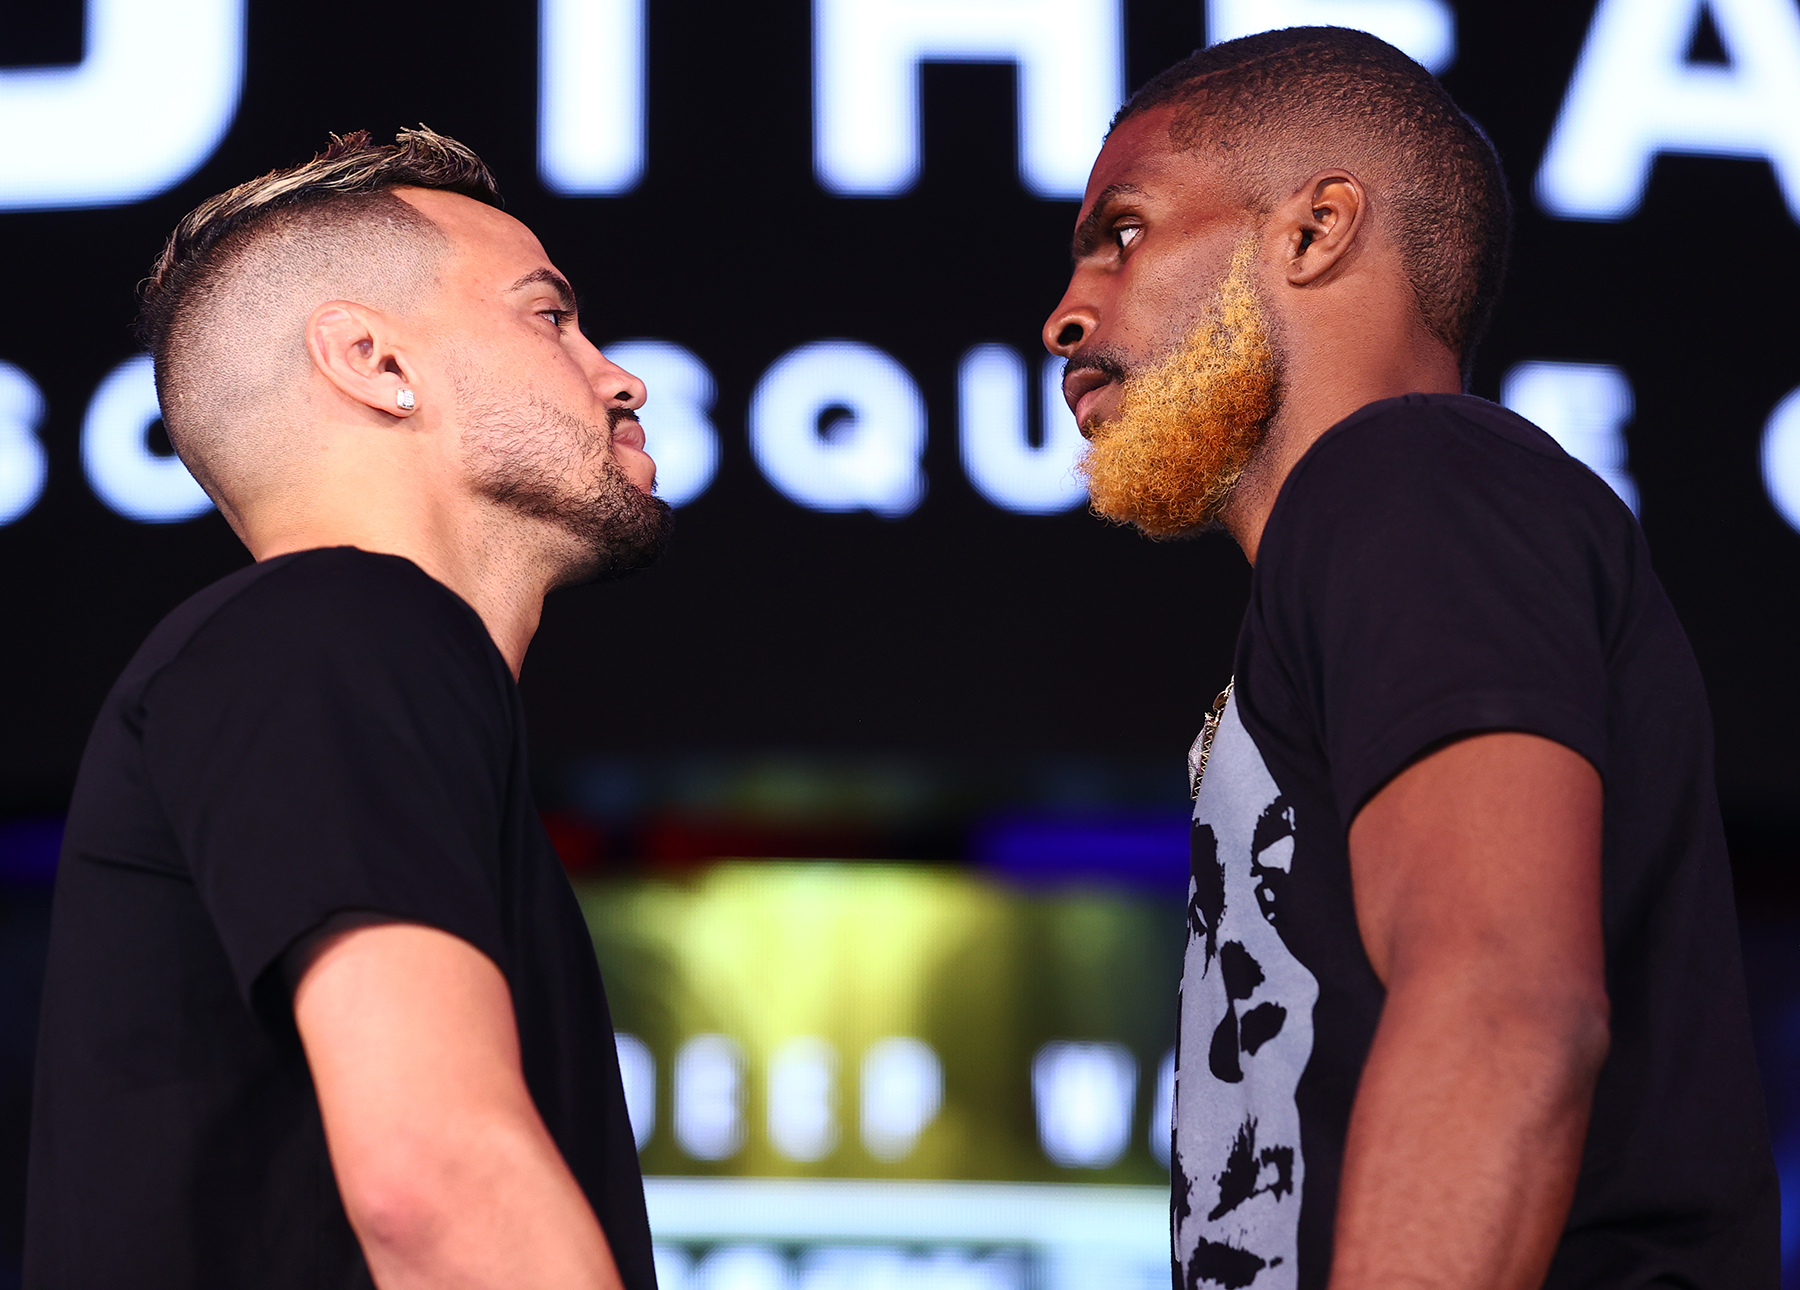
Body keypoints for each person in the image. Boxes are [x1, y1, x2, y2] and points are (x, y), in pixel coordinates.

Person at [1042, 27, 1779, 1290]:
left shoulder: (1410, 476)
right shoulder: (1375, 530)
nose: (1065, 315)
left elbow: (1503, 1006)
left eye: (1123, 233)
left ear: (1316, 230)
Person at [26, 128, 667, 1289]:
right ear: (374, 362)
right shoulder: (339, 625)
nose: (622, 378)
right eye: (550, 317)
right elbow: (435, 1188)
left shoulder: (322, 651)